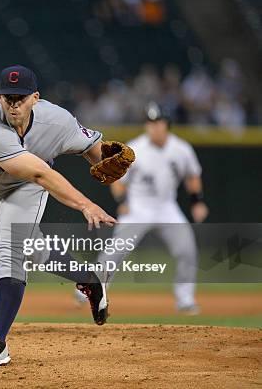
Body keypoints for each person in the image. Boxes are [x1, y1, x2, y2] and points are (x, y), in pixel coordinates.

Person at [0, 65, 134, 369]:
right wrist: (85, 204)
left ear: (35, 98)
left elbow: (90, 145)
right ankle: (90, 280)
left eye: (21, 97)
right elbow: (42, 171)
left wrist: (102, 161)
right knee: (33, 251)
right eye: (8, 97)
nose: (14, 104)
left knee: (10, 251)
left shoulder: (57, 119)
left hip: (26, 187)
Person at [89, 102, 208, 314]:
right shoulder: (135, 149)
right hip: (138, 208)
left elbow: (193, 176)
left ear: (166, 124)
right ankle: (90, 290)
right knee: (115, 252)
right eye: (150, 123)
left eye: (158, 122)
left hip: (167, 208)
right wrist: (123, 202)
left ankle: (185, 299)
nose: (154, 127)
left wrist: (197, 201)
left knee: (187, 250)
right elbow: (117, 180)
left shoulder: (181, 149)